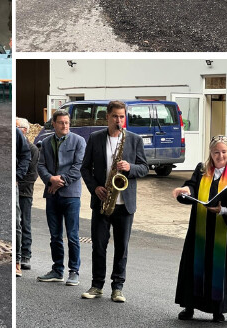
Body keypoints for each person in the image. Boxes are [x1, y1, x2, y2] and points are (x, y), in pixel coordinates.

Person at [172, 135, 227, 322]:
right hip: (201, 228)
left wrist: (223, 209)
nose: (220, 155)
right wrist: (185, 191)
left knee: (219, 268)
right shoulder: (201, 170)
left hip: (225, 230)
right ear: (211, 153)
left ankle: (218, 308)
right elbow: (191, 187)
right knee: (195, 265)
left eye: (224, 152)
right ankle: (189, 306)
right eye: (216, 152)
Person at [79, 100, 148, 302]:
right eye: (115, 116)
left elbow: (144, 168)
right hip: (102, 200)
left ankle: (117, 287)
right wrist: (95, 188)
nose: (119, 120)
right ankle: (96, 285)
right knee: (99, 245)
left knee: (121, 247)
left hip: (124, 203)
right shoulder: (95, 138)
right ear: (107, 117)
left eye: (122, 116)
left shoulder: (133, 139)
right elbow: (85, 168)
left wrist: (130, 168)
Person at [35, 109, 86, 286]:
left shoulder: (79, 141)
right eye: (61, 123)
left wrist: (60, 181)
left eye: (67, 122)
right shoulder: (46, 142)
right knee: (54, 235)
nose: (65, 125)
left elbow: (79, 167)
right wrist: (50, 179)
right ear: (54, 124)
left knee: (72, 235)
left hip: (71, 194)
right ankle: (57, 270)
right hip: (52, 195)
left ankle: (74, 271)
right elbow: (40, 165)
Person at [15, 117, 39, 277]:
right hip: (19, 188)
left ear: (24, 130)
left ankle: (25, 256)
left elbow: (32, 174)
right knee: (19, 223)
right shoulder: (23, 145)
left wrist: (17, 180)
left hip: (25, 191)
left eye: (18, 127)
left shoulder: (33, 149)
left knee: (25, 224)